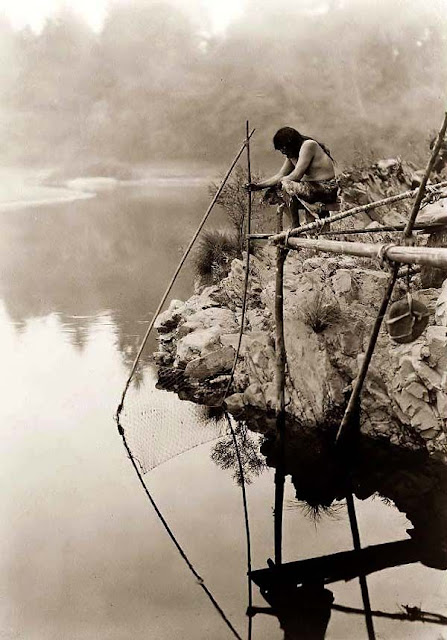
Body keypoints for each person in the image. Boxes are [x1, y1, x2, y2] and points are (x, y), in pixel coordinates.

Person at [247, 127, 338, 227]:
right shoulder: (293, 154)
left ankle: (295, 225)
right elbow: (281, 175)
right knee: (274, 192)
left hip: (326, 188)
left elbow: (297, 175)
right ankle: (294, 222)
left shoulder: (308, 145)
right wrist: (259, 186)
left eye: (283, 148)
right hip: (312, 189)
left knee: (285, 185)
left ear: (291, 144)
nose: (282, 151)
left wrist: (281, 183)